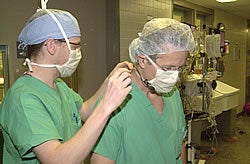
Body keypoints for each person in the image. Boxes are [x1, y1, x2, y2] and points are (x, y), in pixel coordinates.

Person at [0, 8, 133, 164]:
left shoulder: (57, 85)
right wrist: (106, 106)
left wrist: (108, 83)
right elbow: (57, 160)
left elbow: (83, 111)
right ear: (51, 46)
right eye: (75, 46)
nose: (78, 52)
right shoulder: (23, 98)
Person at [90, 18, 195, 164]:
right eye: (167, 68)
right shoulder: (114, 102)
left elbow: (178, 146)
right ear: (143, 60)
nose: (174, 76)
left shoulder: (173, 95)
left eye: (179, 68)